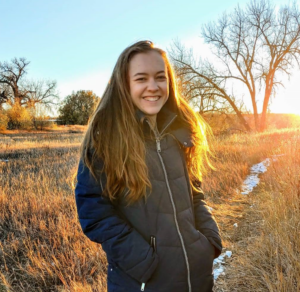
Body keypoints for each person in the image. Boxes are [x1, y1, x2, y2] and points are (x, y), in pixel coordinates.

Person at [75, 40, 222, 292]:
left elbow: (194, 192)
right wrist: (143, 261)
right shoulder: (107, 139)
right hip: (143, 282)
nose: (153, 87)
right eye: (141, 78)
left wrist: (208, 241)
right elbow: (93, 211)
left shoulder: (181, 133)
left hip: (195, 276)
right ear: (125, 84)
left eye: (160, 77)